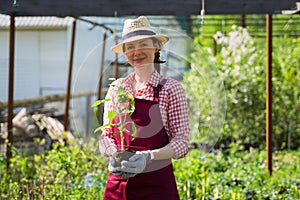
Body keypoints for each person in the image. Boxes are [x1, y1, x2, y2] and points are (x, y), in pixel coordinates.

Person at [99, 16, 190, 200]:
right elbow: (106, 135)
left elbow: (182, 143)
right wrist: (112, 154)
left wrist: (148, 157)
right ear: (125, 52)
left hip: (156, 186)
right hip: (119, 186)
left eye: (143, 44)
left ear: (157, 47)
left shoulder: (171, 89)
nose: (137, 51)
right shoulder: (117, 88)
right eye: (130, 47)